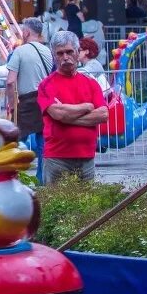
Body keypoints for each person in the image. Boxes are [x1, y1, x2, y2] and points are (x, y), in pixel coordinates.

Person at [37, 30, 108, 184]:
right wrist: (87, 106)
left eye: (69, 52)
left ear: (77, 52)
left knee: (89, 206)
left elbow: (103, 114)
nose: (65, 57)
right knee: (57, 206)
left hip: (87, 158)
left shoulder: (91, 83)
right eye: (60, 53)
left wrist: (67, 117)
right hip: (57, 159)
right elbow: (58, 114)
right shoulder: (46, 85)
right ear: (54, 56)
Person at [6, 17, 54, 168]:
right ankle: (43, 180)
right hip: (45, 100)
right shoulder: (48, 51)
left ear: (26, 32)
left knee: (16, 141)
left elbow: (10, 81)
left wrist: (12, 103)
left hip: (26, 102)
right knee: (43, 143)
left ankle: (15, 178)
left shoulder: (19, 52)